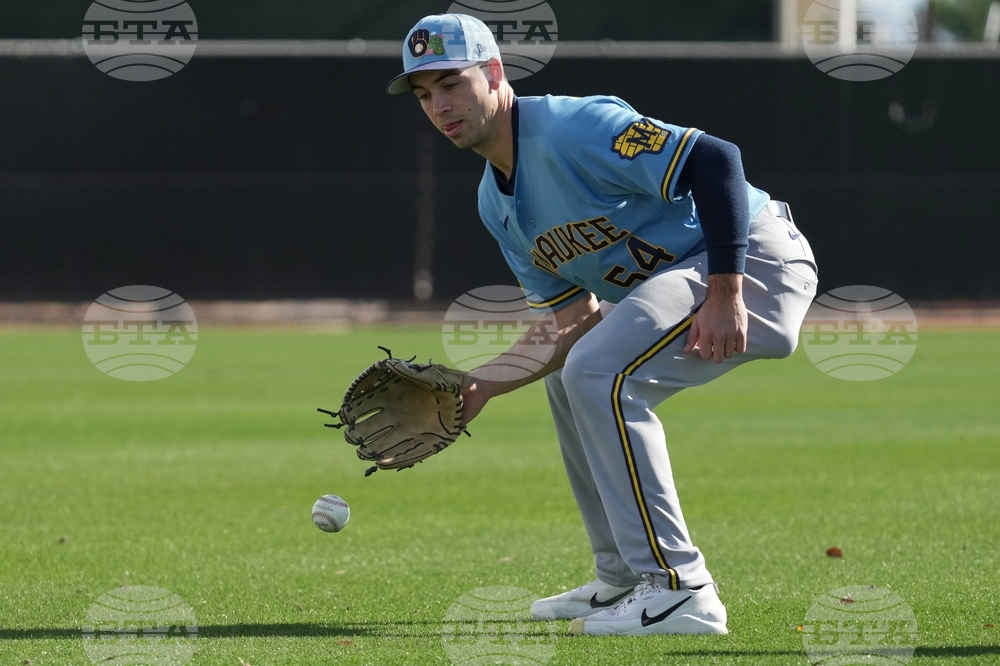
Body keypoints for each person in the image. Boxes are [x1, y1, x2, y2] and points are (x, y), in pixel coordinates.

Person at [387, 14, 818, 636]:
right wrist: (479, 385)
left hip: (756, 261)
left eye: (451, 83)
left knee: (598, 370)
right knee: (574, 371)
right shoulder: (495, 203)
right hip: (682, 284)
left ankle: (679, 589)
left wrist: (727, 289)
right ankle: (621, 577)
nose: (439, 105)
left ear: (494, 74)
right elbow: (572, 323)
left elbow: (717, 160)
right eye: (425, 95)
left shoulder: (570, 128)